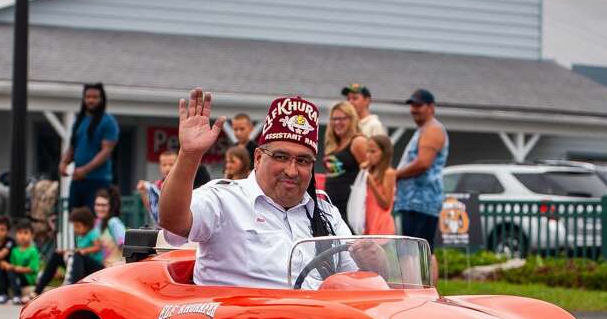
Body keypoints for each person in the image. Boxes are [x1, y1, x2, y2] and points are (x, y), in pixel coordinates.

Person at [160, 88, 384, 289]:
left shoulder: (325, 213)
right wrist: (189, 156)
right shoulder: (225, 198)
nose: (292, 170)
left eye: (303, 161)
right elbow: (173, 220)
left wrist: (376, 263)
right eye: (281, 157)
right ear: (257, 158)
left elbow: (361, 282)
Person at [393, 89, 447, 281]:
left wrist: (395, 174)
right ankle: (420, 287)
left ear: (431, 107)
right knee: (415, 250)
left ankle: (425, 290)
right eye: (412, 105)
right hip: (413, 202)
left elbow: (424, 163)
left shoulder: (433, 129)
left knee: (420, 251)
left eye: (418, 105)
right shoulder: (423, 130)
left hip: (422, 202)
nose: (414, 109)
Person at [59, 83, 119, 210]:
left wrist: (85, 170)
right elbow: (72, 146)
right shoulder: (79, 120)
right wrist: (64, 163)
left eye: (95, 97)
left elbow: (106, 152)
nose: (91, 100)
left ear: (102, 99)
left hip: (98, 180)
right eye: (88, 97)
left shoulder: (108, 122)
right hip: (77, 180)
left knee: (94, 219)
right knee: (75, 218)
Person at [32, 207, 105, 297]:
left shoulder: (92, 233)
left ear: (87, 225)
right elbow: (77, 251)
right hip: (82, 264)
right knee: (57, 255)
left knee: (78, 255)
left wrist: (84, 251)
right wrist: (65, 252)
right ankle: (37, 290)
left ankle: (73, 290)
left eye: (77, 226)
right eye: (74, 226)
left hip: (95, 267)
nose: (75, 229)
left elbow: (98, 247)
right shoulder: (80, 236)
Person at [321, 101, 369, 225]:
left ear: (352, 119)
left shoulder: (358, 142)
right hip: (332, 208)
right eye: (334, 119)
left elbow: (371, 175)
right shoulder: (333, 144)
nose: (337, 122)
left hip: (351, 210)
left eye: (342, 118)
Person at [360, 134, 397, 235]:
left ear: (384, 153)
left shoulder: (388, 173)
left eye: (373, 151)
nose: (368, 155)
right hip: (368, 226)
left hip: (382, 228)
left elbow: (386, 204)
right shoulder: (368, 171)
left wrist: (371, 183)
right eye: (367, 151)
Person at [0, 219, 41, 305]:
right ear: (16, 235)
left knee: (12, 272)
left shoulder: (33, 251)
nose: (22, 236)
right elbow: (12, 264)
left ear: (32, 235)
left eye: (26, 233)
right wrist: (5, 265)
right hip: (15, 275)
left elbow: (32, 269)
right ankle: (2, 294)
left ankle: (17, 295)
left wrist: (14, 268)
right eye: (20, 233)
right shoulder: (14, 250)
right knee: (1, 270)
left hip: (28, 278)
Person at [137, 149, 176, 226]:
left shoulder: (183, 183)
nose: (167, 168)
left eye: (171, 164)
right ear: (160, 166)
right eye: (164, 165)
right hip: (160, 228)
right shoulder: (156, 185)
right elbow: (152, 207)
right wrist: (143, 193)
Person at [94, 188, 127, 266]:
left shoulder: (113, 222)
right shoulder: (97, 223)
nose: (99, 208)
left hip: (113, 267)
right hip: (101, 267)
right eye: (97, 205)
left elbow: (125, 247)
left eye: (104, 205)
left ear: (111, 206)